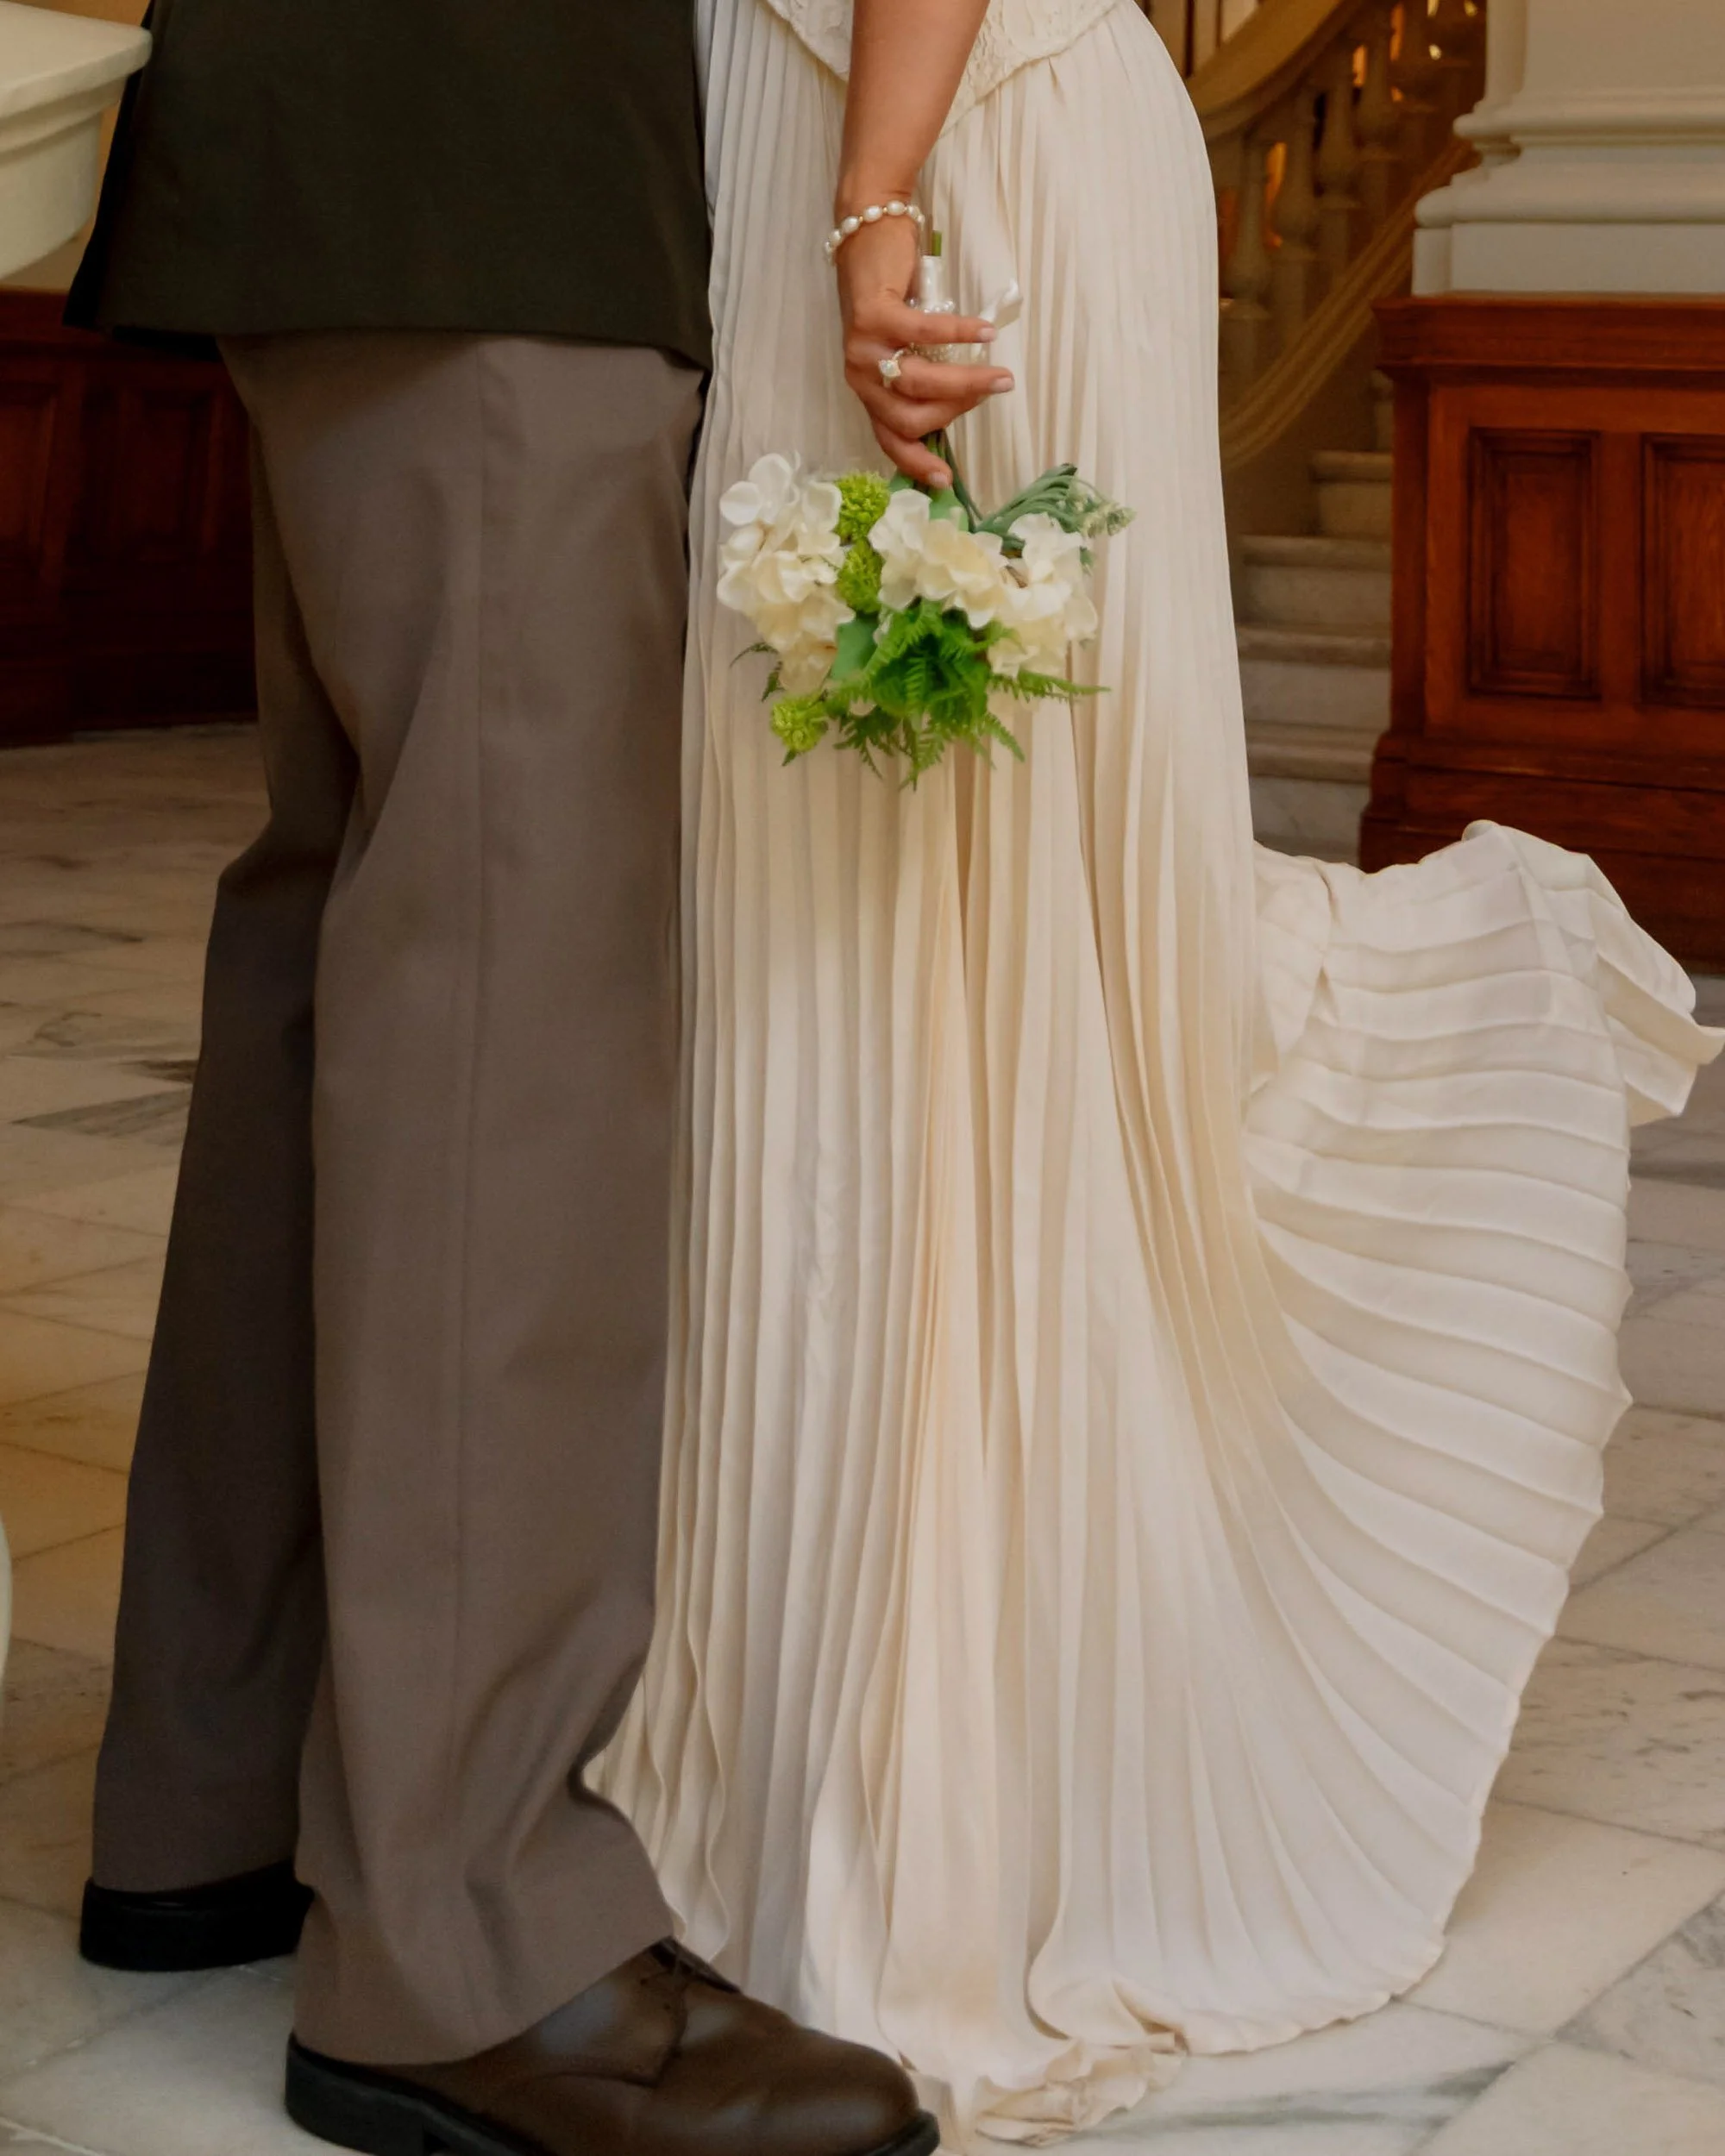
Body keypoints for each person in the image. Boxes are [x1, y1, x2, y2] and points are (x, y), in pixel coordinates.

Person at [593, 0, 1723, 2146]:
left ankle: (917, 1768)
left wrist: (873, 204)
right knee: (856, 904)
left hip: (927, 133)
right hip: (860, 130)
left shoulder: (888, 178)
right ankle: (814, 1726)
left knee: (938, 910)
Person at [65, 5, 1000, 2155]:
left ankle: (213, 1788)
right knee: (514, 1026)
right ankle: (469, 1930)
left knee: (345, 982)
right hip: (485, 141)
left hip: (354, 152)